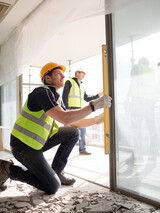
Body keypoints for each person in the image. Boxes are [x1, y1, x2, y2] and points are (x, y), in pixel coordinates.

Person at [0, 62, 112, 195]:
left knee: (73, 132)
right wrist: (93, 106)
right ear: (47, 78)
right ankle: (8, 169)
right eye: (59, 74)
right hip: (23, 146)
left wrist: (98, 120)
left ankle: (57, 171)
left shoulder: (56, 99)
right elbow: (65, 118)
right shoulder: (42, 92)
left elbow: (73, 122)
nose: (63, 76)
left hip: (37, 143)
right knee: (52, 186)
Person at [62, 68, 103, 155]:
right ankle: (63, 151)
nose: (84, 75)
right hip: (70, 110)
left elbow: (86, 98)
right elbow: (64, 96)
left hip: (80, 111)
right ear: (77, 73)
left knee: (83, 131)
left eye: (84, 74)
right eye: (82, 73)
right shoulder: (69, 82)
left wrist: (97, 96)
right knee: (66, 132)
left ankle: (82, 149)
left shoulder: (82, 86)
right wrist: (66, 109)